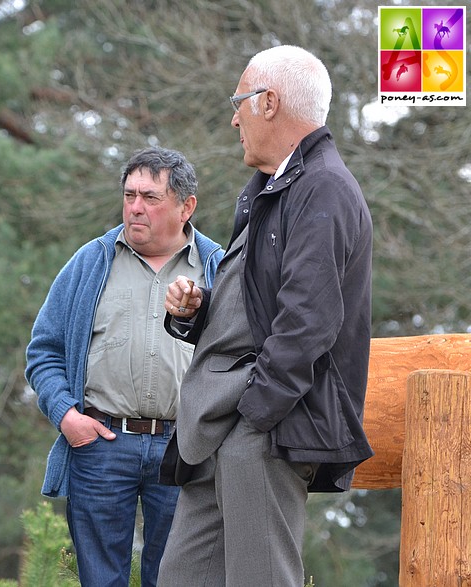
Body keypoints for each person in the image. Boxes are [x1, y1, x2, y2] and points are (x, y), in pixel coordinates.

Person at [156, 45, 374, 587]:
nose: (234, 118)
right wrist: (200, 310)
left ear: (269, 102)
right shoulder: (273, 191)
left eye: (240, 102)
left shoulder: (321, 186)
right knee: (181, 577)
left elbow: (308, 321)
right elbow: (262, 306)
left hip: (263, 428)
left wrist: (256, 414)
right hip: (219, 427)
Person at [25, 147, 224, 587]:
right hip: (100, 443)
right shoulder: (89, 262)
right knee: (99, 580)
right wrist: (65, 415)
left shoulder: (219, 267)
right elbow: (44, 351)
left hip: (185, 447)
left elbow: (240, 357)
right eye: (130, 194)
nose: (135, 207)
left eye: (151, 197)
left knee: (177, 578)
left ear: (186, 206)